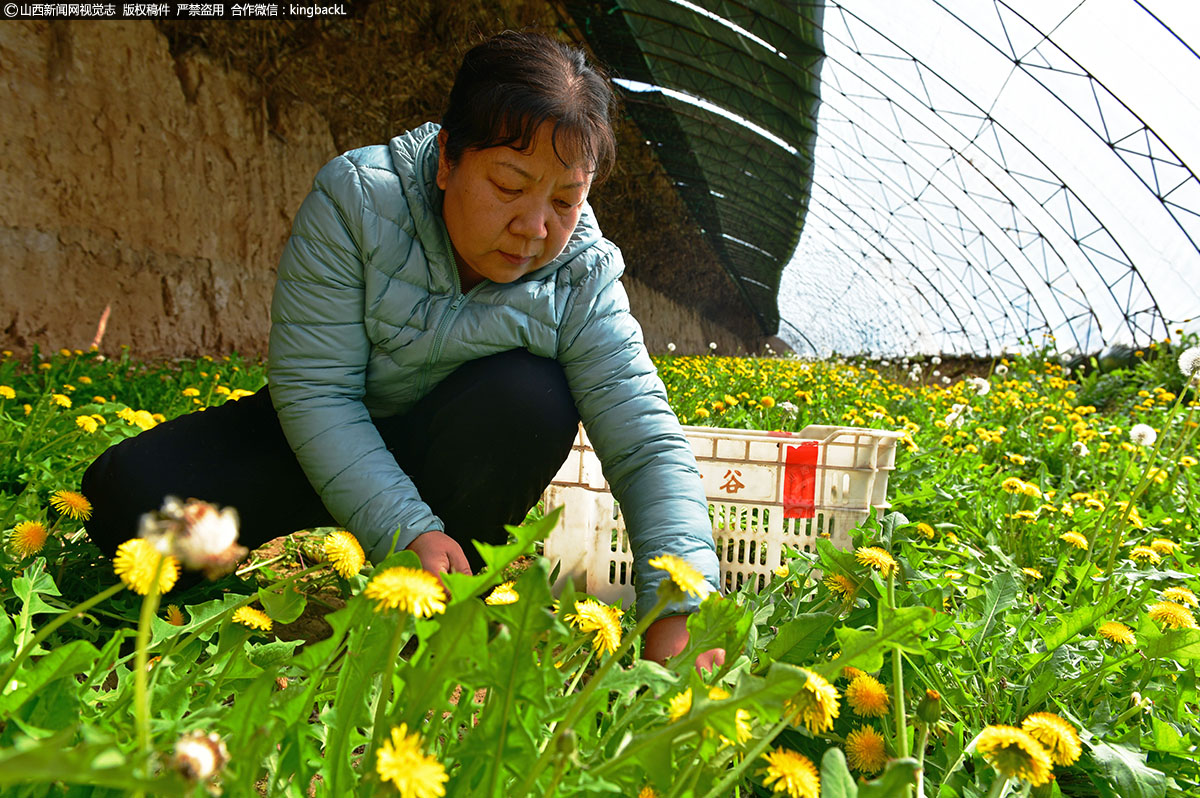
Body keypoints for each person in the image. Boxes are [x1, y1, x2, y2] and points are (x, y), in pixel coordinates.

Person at [82, 31, 724, 668]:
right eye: (508, 185)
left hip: (447, 456)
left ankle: (437, 597)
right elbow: (316, 391)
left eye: (565, 199)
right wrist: (402, 525)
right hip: (311, 435)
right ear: (448, 160)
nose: (535, 228)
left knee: (533, 398)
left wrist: (681, 605)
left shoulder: (580, 273)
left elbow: (646, 442)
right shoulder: (358, 200)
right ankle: (195, 601)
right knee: (129, 498)